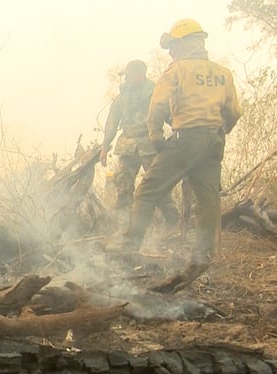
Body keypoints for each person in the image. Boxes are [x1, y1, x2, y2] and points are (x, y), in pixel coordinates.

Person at [116, 18, 242, 265]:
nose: (171, 52)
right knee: (208, 201)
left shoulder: (177, 70)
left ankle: (128, 248)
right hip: (213, 141)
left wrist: (156, 136)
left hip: (185, 139)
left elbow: (158, 106)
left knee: (146, 191)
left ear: (185, 44)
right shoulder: (223, 73)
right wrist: (219, 131)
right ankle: (204, 256)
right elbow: (234, 112)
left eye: (173, 46)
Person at [100, 59, 180, 229]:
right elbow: (112, 123)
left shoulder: (155, 94)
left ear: (140, 74)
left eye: (130, 75)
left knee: (158, 185)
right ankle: (123, 225)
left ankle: (173, 221)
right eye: (126, 76)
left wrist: (182, 131)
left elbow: (170, 116)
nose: (127, 79)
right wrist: (104, 147)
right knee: (123, 185)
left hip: (150, 145)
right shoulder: (121, 98)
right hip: (127, 147)